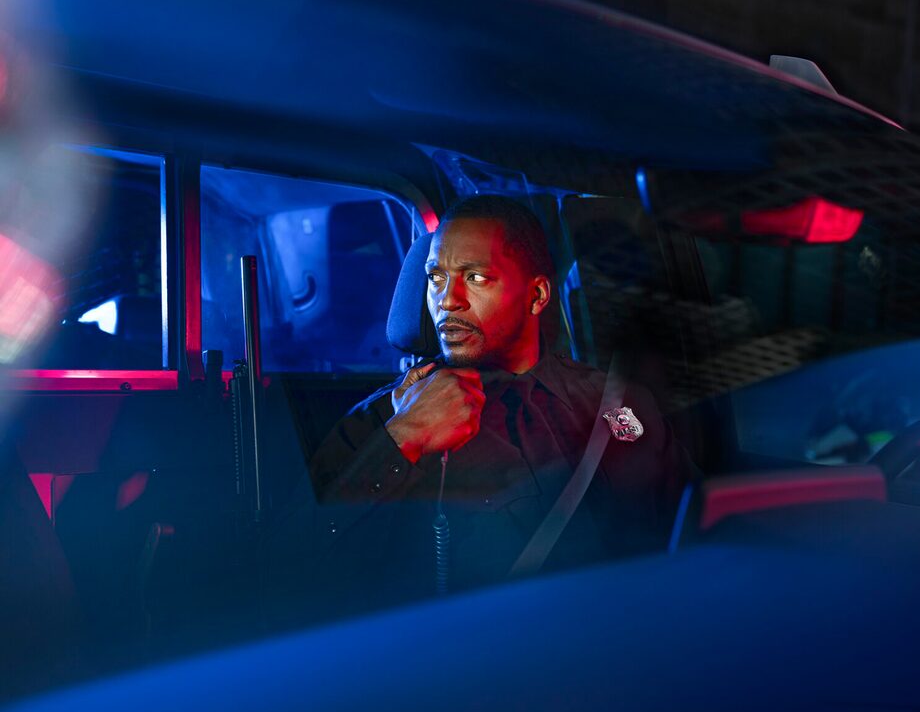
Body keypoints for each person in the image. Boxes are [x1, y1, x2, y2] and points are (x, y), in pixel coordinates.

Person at [270, 195, 693, 622]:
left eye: (474, 277)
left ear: (537, 296)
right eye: (436, 278)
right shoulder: (387, 417)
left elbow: (689, 526)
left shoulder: (614, 401)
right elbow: (288, 568)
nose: (447, 300)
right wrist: (401, 440)